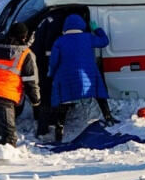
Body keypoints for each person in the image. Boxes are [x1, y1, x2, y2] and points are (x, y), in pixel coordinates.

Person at [49, 14, 116, 142]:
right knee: (99, 94)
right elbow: (104, 41)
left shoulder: (59, 41)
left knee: (63, 103)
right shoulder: (88, 38)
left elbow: (54, 62)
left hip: (66, 77)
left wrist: (52, 74)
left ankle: (60, 129)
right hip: (88, 75)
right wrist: (96, 29)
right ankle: (108, 117)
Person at [0, 22, 40, 146]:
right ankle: (6, 161)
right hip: (5, 95)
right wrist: (35, 101)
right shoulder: (25, 54)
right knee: (9, 133)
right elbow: (30, 80)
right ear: (24, 37)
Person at [31, 12, 65, 138]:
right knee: (49, 94)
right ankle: (46, 126)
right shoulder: (56, 22)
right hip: (45, 64)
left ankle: (43, 124)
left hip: (39, 62)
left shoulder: (46, 19)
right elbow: (50, 49)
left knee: (44, 94)